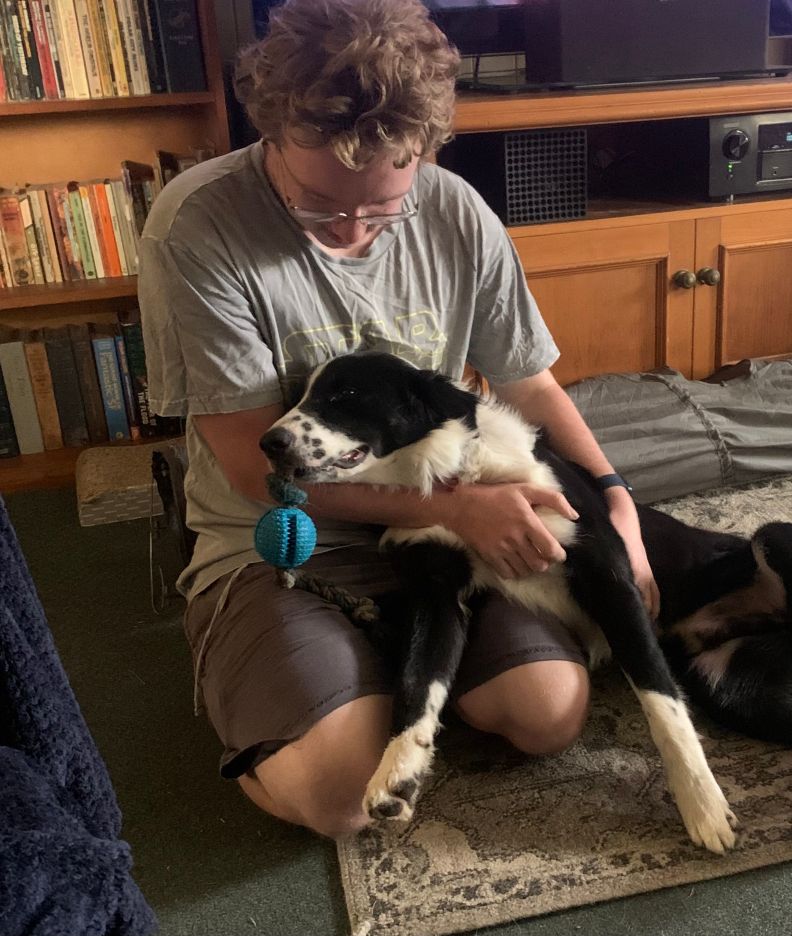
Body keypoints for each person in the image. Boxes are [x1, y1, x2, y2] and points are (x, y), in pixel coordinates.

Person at [138, 0, 660, 839]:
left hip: (447, 531)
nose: (350, 230)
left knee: (550, 715)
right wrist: (452, 507)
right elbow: (253, 469)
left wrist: (614, 498)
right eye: (318, 205)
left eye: (382, 207)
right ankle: (290, 688)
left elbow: (532, 386)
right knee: (342, 802)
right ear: (270, 133)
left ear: (422, 152)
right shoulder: (197, 226)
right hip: (283, 537)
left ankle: (376, 681)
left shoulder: (455, 209)